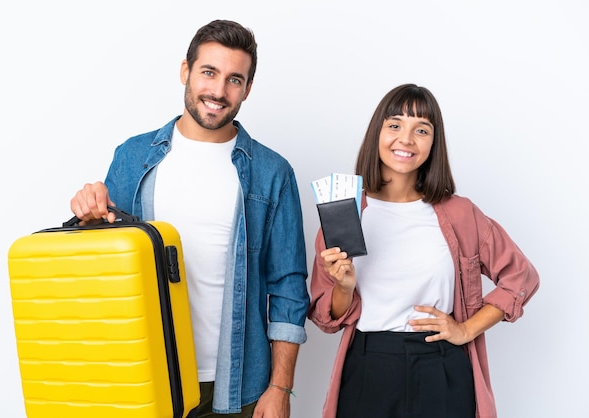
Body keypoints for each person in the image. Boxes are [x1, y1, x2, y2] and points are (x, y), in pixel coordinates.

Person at [70, 20, 310, 418]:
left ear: (248, 89)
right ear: (186, 71)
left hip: (237, 386)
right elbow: (102, 263)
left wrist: (280, 387)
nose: (218, 92)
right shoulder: (132, 157)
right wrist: (86, 216)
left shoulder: (273, 173)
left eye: (235, 79)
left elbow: (288, 287)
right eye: (209, 73)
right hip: (144, 373)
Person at [307, 84, 539, 418]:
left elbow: (522, 277)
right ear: (378, 133)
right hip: (368, 367)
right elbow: (326, 318)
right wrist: (343, 286)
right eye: (395, 125)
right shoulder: (344, 211)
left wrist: (466, 329)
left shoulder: (461, 214)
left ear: (434, 143)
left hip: (441, 367)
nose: (406, 139)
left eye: (422, 130)